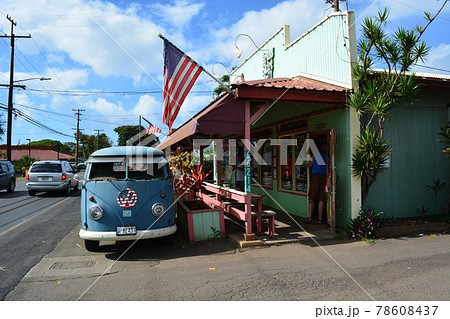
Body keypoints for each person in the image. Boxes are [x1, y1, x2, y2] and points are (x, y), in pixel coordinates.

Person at [306, 142, 327, 224]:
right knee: (322, 199)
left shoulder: (315, 154)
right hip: (324, 176)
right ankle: (320, 219)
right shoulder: (328, 155)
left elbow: (309, 166)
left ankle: (310, 217)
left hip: (316, 177)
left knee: (312, 199)